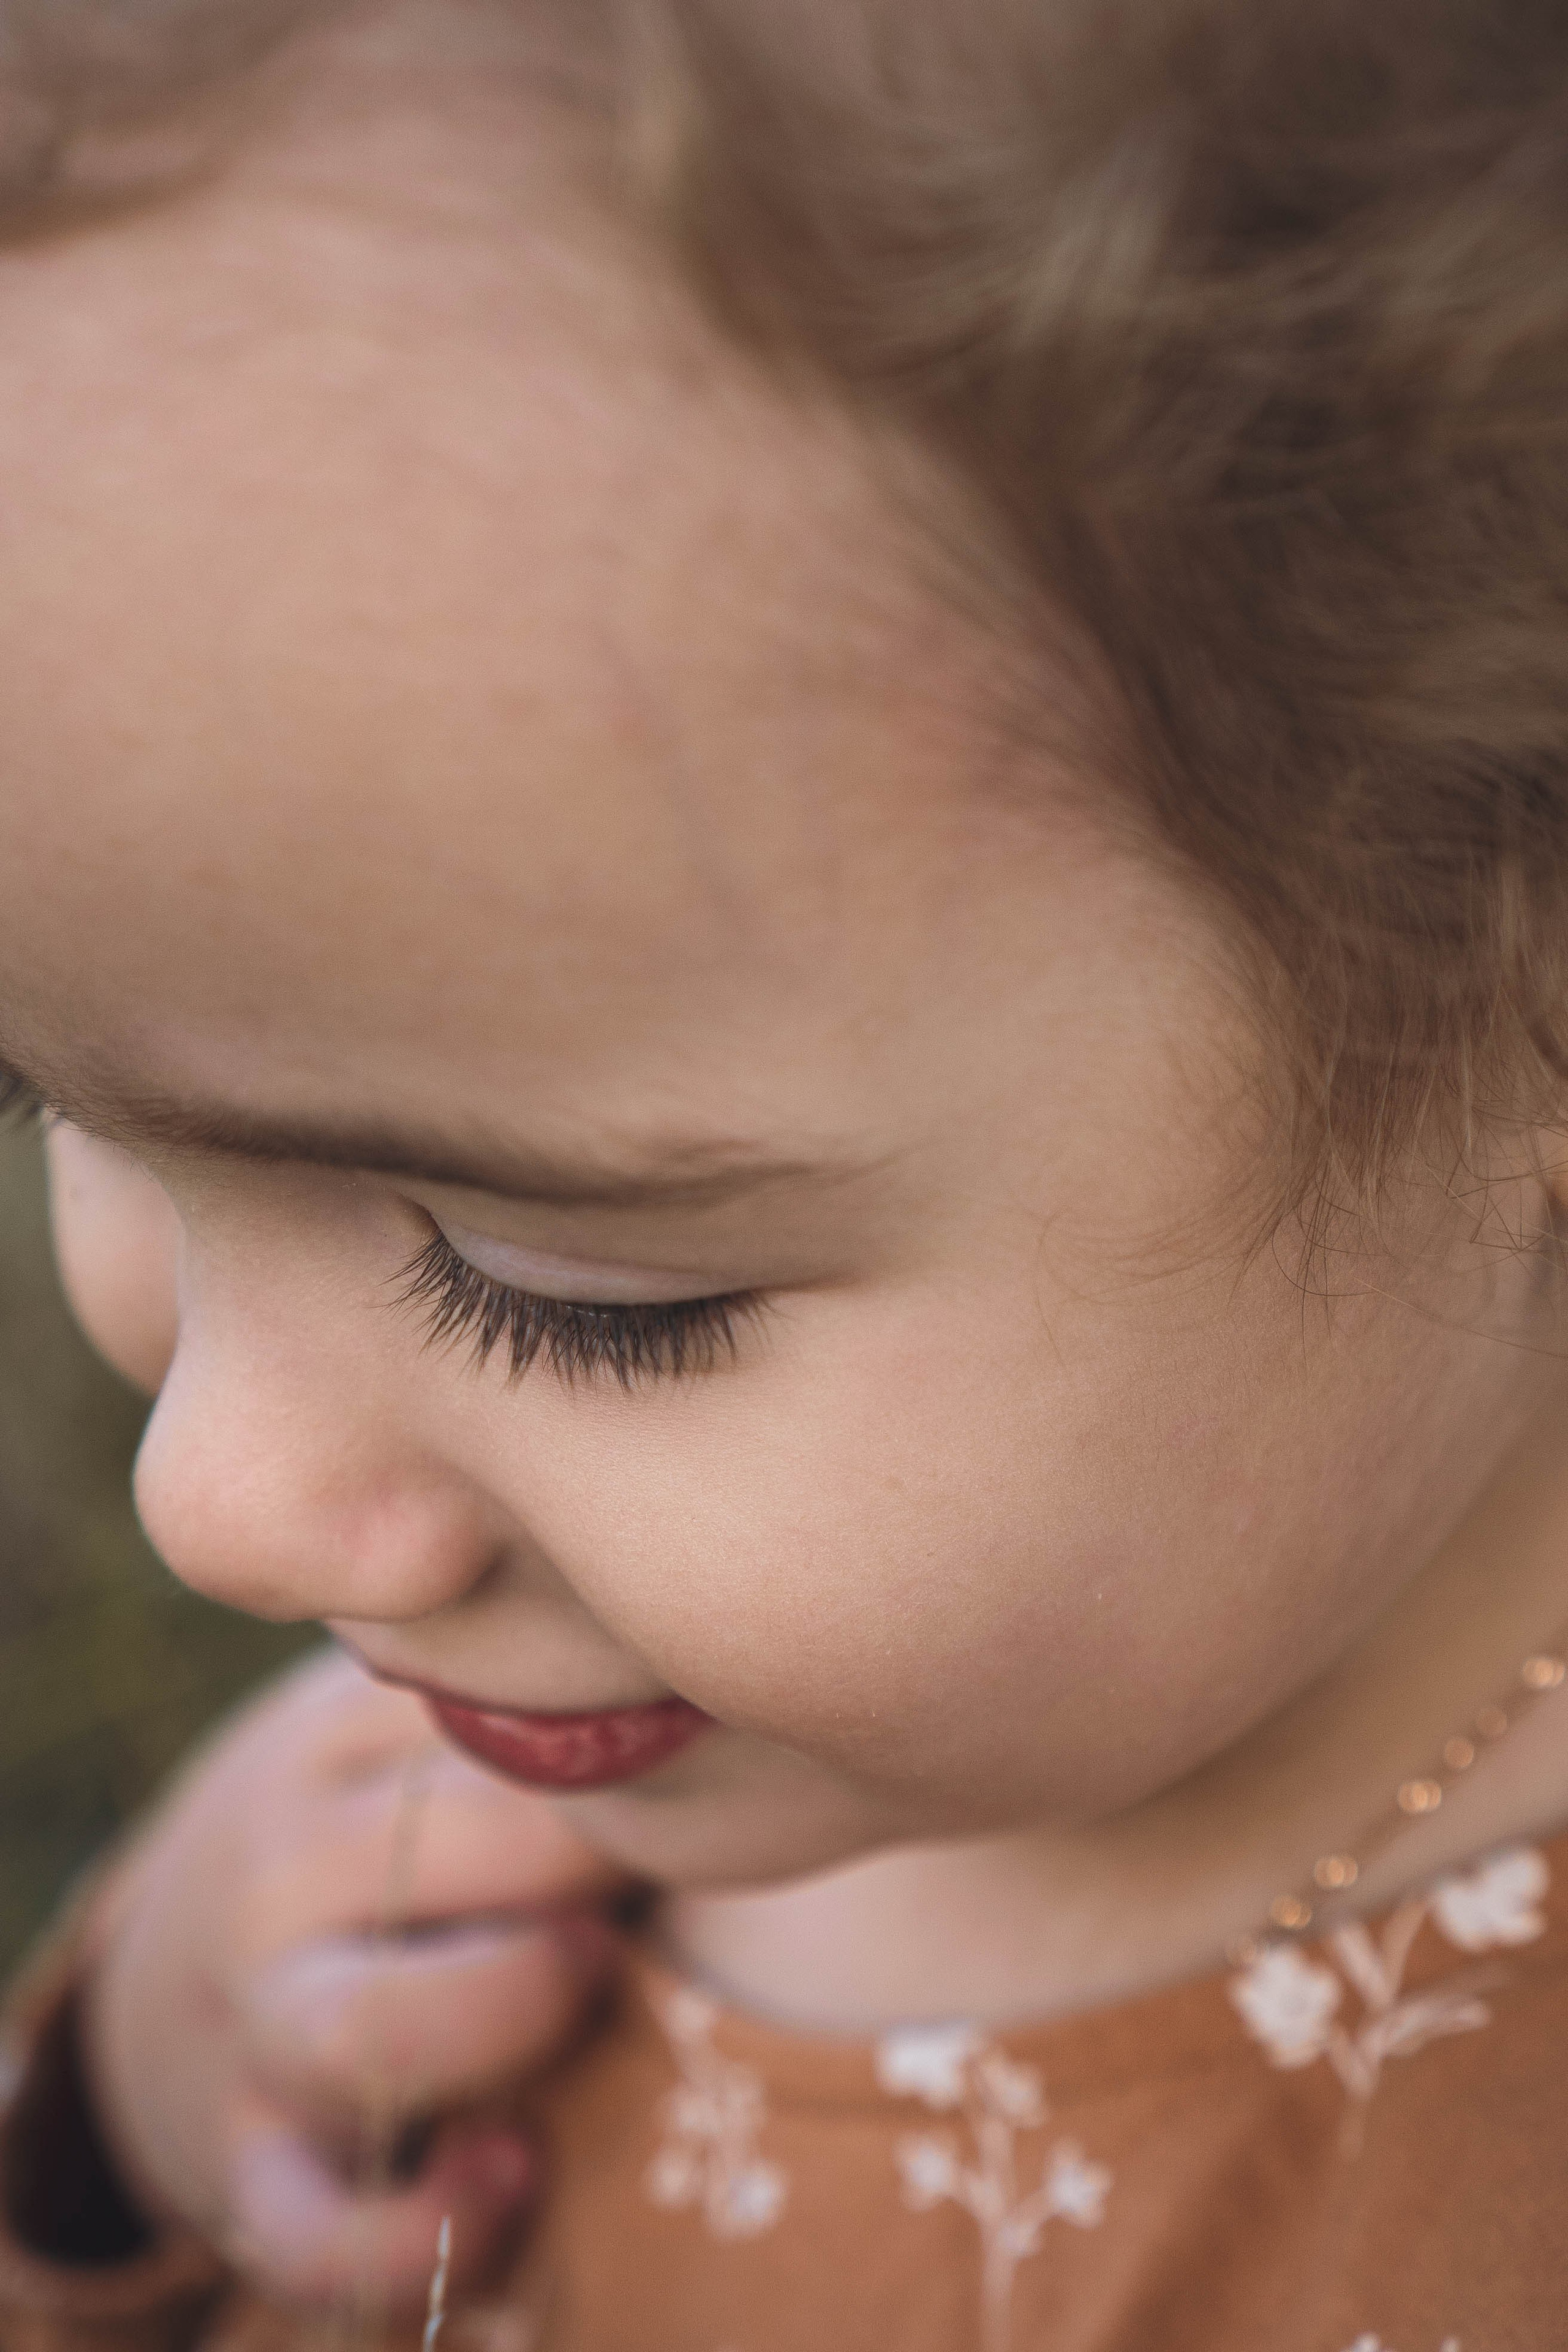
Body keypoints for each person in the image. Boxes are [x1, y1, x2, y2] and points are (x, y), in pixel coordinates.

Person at [3, 1, 1568, 2344]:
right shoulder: (541, 1717)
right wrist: (126, 2122)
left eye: (568, 1292)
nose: (216, 1497)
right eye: (78, 1121)